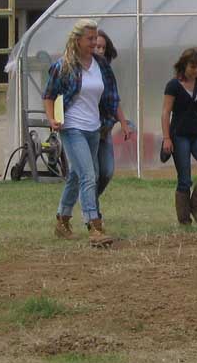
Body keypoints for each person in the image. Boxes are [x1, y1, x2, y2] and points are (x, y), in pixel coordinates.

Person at [43, 19, 121, 247]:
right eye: (90, 39)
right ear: (77, 41)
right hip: (72, 127)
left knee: (78, 175)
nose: (94, 43)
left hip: (94, 128)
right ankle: (94, 226)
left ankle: (62, 220)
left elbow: (111, 95)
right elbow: (48, 95)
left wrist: (117, 120)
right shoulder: (63, 66)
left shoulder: (101, 65)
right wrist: (52, 119)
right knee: (89, 174)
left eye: (95, 38)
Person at [161, 47, 197, 225]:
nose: (196, 71)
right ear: (184, 65)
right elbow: (165, 112)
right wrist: (166, 138)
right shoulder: (173, 86)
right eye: (193, 66)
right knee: (184, 179)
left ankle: (195, 206)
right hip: (179, 136)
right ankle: (184, 220)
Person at [92, 30, 132, 223]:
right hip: (87, 129)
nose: (99, 50)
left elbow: (114, 100)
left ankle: (90, 200)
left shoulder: (106, 71)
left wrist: (124, 123)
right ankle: (93, 212)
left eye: (102, 47)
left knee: (107, 172)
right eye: (96, 46)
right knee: (93, 173)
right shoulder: (82, 69)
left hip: (104, 129)